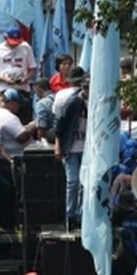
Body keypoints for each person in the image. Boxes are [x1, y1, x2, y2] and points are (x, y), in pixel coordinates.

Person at [52, 67, 87, 226]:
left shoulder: (94, 104)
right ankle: (70, 214)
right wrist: (58, 146)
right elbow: (60, 126)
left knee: (83, 183)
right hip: (72, 148)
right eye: (84, 86)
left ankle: (80, 214)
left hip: (87, 149)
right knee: (73, 181)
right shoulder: (73, 103)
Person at [0, 26, 37, 100]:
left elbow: (32, 68)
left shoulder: (26, 47)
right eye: (12, 42)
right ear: (5, 38)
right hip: (4, 89)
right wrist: (4, 79)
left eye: (17, 42)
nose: (15, 45)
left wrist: (25, 79)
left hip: (23, 90)